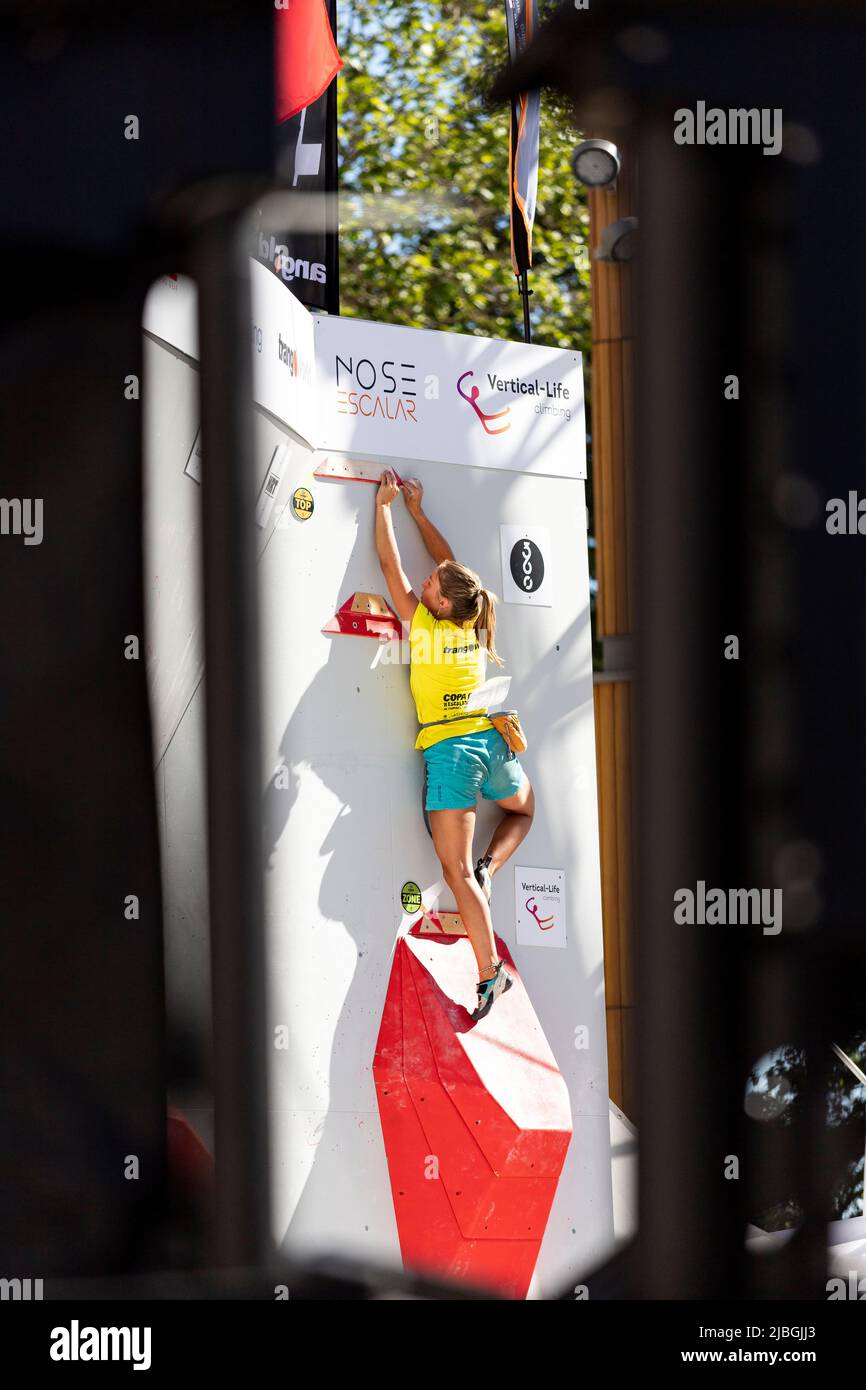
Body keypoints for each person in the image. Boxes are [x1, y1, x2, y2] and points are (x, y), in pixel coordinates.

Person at [374, 467, 535, 1019]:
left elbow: (393, 569)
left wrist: (383, 509)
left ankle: (491, 976)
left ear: (441, 606)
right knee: (524, 810)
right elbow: (448, 565)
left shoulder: (426, 625)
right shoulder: (468, 619)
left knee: (455, 874)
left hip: (454, 755)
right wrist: (417, 513)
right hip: (490, 744)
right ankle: (493, 865)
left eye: (431, 589)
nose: (425, 584)